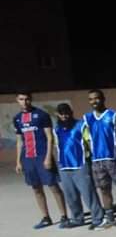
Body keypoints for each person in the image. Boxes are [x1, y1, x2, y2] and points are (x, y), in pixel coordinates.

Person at [83, 89, 116, 229]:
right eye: (91, 99)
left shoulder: (114, 115)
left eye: (96, 98)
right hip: (97, 160)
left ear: (103, 99)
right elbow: (86, 139)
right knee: (104, 190)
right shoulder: (87, 118)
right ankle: (110, 219)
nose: (94, 101)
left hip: (113, 158)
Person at [13, 90, 68, 228]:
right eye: (21, 99)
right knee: (36, 188)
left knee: (53, 186)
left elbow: (49, 137)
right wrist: (18, 161)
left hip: (42, 156)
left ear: (31, 99)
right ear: (17, 100)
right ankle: (46, 217)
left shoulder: (41, 115)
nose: (24, 102)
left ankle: (64, 216)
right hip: (28, 158)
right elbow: (19, 141)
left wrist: (48, 157)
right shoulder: (17, 118)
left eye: (27, 99)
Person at [52, 103, 104, 229]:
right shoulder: (56, 129)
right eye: (61, 114)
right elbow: (57, 146)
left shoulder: (81, 125)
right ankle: (77, 219)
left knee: (88, 193)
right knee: (70, 195)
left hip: (80, 164)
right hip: (64, 166)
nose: (64, 116)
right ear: (57, 114)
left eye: (66, 113)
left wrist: (91, 158)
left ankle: (97, 218)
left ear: (71, 112)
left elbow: (89, 142)